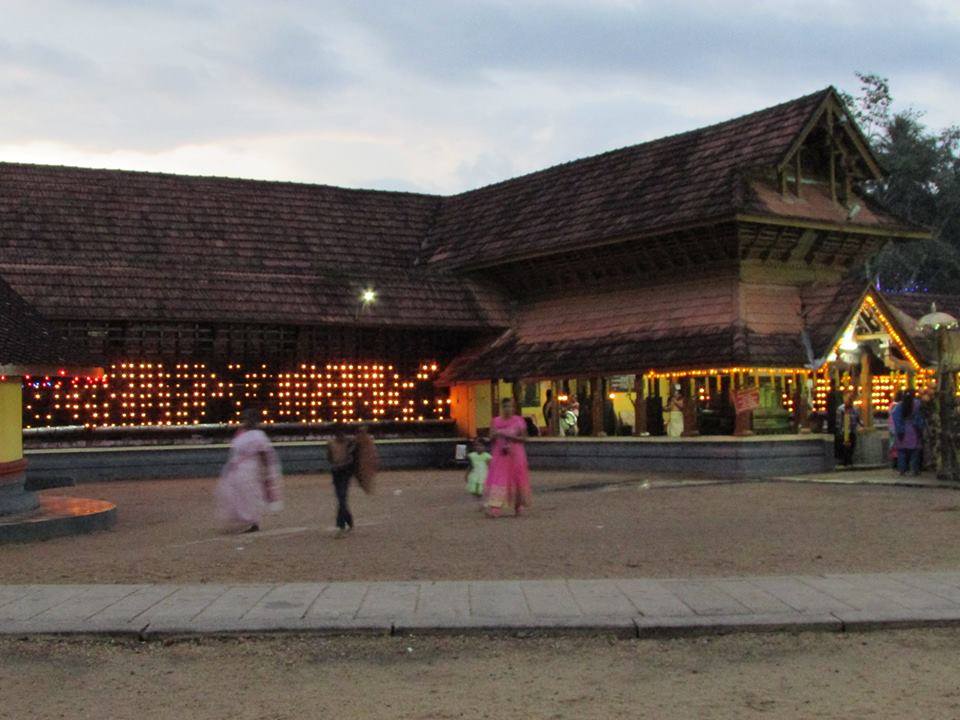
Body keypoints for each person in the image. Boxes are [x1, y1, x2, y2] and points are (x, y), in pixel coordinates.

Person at [215, 408, 282, 533]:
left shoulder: (258, 436)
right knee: (235, 493)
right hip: (238, 469)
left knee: (250, 495)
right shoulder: (241, 434)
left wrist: (266, 471)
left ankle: (252, 521)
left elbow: (263, 454)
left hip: (250, 469)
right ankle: (242, 519)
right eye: (244, 419)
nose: (246, 422)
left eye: (248, 419)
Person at [484, 397, 532, 518]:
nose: (508, 409)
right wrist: (496, 435)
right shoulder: (495, 421)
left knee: (517, 479)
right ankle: (496, 507)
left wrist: (510, 437)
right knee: (499, 479)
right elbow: (490, 438)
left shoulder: (519, 421)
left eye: (510, 407)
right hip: (500, 455)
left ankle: (518, 505)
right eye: (505, 407)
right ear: (502, 408)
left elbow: (525, 438)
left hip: (516, 454)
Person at [327, 427, 355, 538]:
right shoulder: (332, 444)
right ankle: (348, 520)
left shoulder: (349, 443)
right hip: (337, 472)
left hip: (344, 472)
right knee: (341, 498)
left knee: (342, 497)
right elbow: (329, 457)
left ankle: (341, 525)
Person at [893, 390, 925, 476]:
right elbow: (920, 417)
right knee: (914, 452)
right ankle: (914, 469)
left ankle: (902, 470)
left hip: (902, 431)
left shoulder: (899, 406)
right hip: (914, 430)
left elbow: (895, 417)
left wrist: (899, 429)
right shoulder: (917, 404)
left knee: (902, 452)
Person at [835, 392, 861, 467]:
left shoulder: (855, 409)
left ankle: (850, 459)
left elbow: (857, 418)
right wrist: (839, 430)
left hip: (852, 430)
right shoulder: (841, 409)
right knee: (845, 446)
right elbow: (839, 421)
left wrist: (861, 425)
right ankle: (845, 460)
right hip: (844, 430)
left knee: (852, 445)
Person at [353, 424, 379, 494]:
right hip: (360, 459)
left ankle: (367, 489)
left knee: (367, 475)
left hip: (367, 459)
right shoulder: (358, 438)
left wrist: (374, 458)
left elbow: (373, 450)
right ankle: (365, 487)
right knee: (360, 474)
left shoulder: (369, 438)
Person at [887, 391, 903, 470]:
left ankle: (894, 461)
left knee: (892, 444)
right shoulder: (898, 406)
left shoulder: (891, 405)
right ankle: (896, 462)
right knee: (896, 444)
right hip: (895, 427)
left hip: (891, 426)